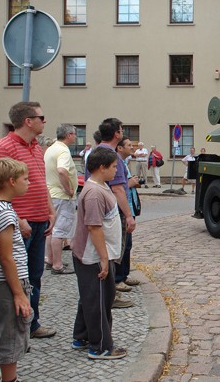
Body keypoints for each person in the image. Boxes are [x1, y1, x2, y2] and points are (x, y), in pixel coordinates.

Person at [0, 101, 57, 339]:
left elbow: (40, 180)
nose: (44, 121)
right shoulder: (3, 147)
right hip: (19, 225)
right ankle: (14, 325)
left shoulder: (36, 146)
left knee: (34, 276)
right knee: (16, 275)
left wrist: (50, 210)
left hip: (39, 221)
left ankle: (30, 322)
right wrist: (17, 219)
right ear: (28, 121)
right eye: (41, 117)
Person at [71, 147, 128, 360]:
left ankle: (81, 336)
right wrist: (104, 259)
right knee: (99, 301)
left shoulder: (100, 186)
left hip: (98, 255)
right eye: (114, 167)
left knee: (90, 297)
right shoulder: (94, 193)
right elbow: (94, 227)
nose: (116, 170)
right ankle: (100, 346)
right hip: (93, 256)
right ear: (102, 168)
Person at [0, 158, 32, 382]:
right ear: (11, 181)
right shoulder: (4, 213)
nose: (29, 183)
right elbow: (6, 257)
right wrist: (18, 292)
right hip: (9, 283)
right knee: (12, 335)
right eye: (25, 179)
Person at [85, 118, 136, 309]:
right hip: (111, 211)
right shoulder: (109, 155)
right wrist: (129, 215)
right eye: (121, 130)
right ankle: (110, 294)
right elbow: (118, 189)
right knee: (113, 253)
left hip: (103, 209)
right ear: (117, 133)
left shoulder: (98, 151)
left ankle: (108, 293)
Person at [44, 124, 78, 275]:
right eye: (75, 134)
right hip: (61, 195)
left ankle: (50, 259)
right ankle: (57, 265)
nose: (76, 137)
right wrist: (68, 189)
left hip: (51, 193)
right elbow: (62, 170)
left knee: (51, 230)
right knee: (59, 231)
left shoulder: (51, 148)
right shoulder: (63, 150)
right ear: (69, 135)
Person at [113, 136, 140, 297]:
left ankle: (124, 275)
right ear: (120, 148)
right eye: (129, 145)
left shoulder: (124, 163)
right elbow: (119, 187)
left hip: (129, 207)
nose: (132, 147)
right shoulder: (117, 162)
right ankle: (117, 279)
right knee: (121, 245)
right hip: (122, 209)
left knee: (127, 245)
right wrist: (129, 183)